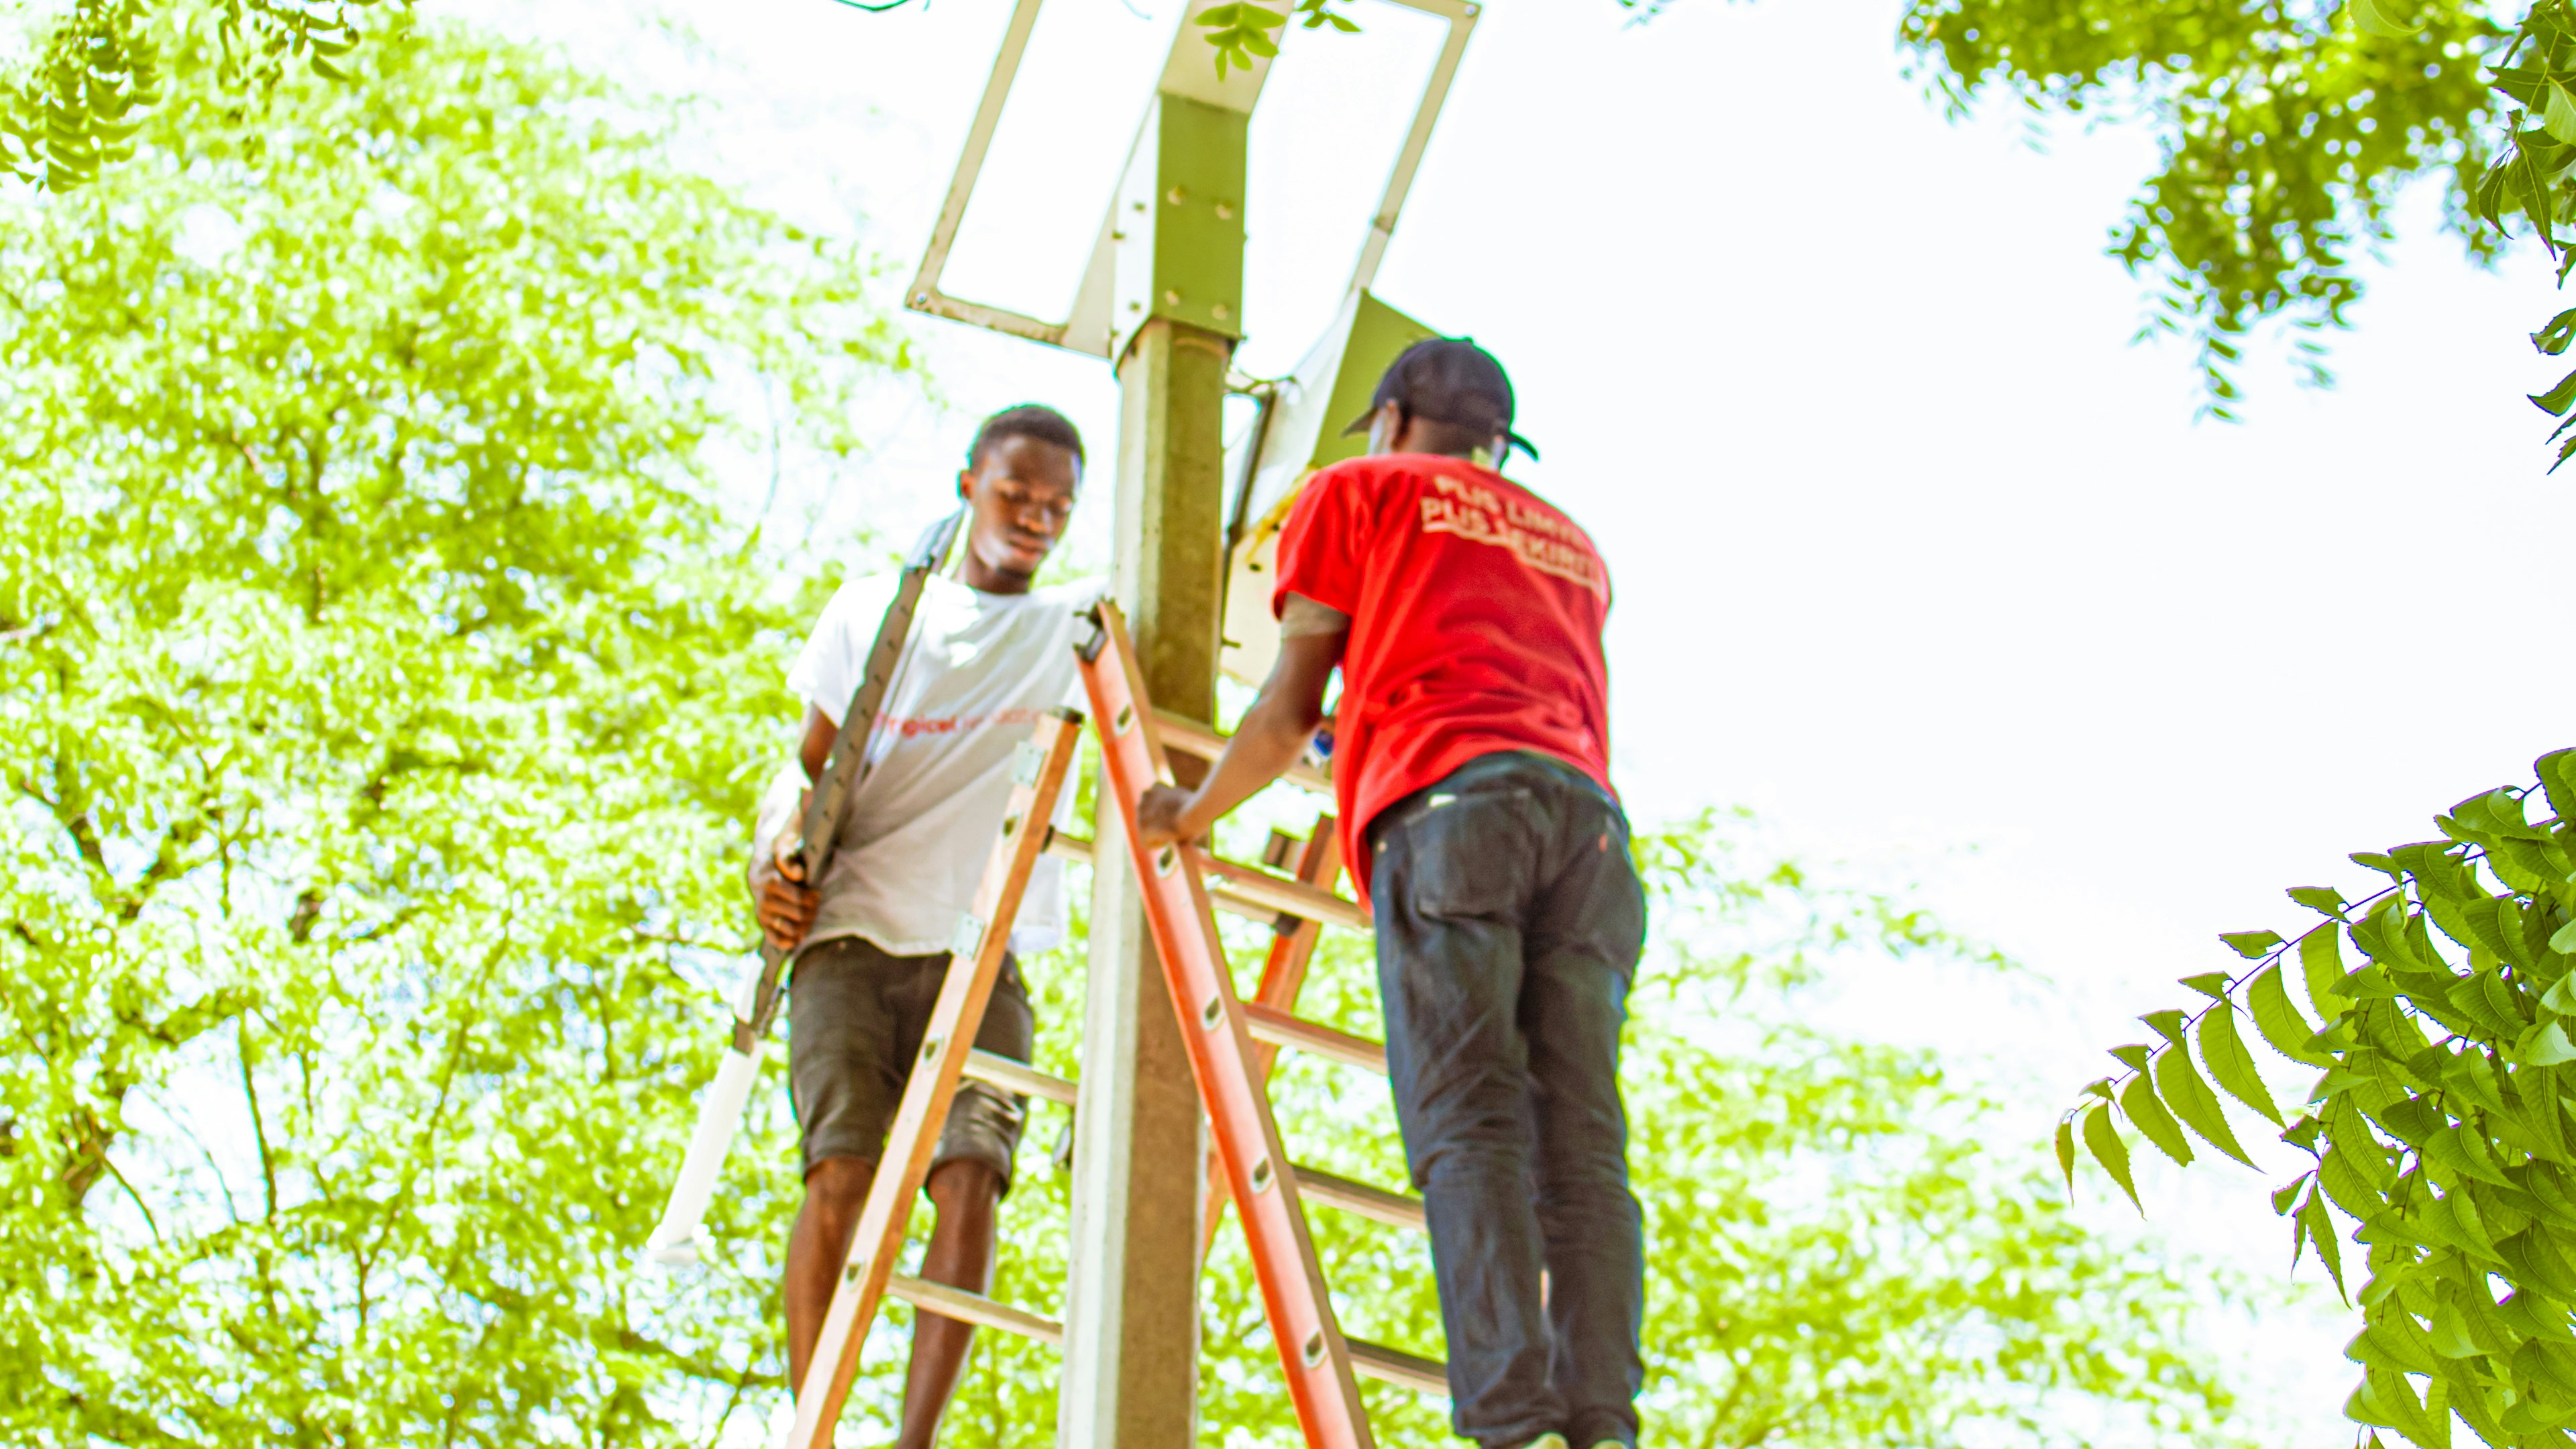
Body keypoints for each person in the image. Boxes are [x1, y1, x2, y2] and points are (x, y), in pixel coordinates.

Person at [1136, 339, 1644, 1449]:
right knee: (1584, 1141)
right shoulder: (1573, 544)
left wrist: (1190, 811)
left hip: (1452, 815)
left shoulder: (1356, 492)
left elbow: (1284, 709)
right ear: (1500, 444)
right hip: (1591, 836)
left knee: (1472, 1124)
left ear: (1389, 417)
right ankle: (1600, 1419)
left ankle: (1510, 1422)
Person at [751, 403, 1095, 1448]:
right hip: (849, 938)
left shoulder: (1076, 627)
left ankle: (914, 1441)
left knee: (970, 1180)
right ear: (967, 489)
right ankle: (814, 1425)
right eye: (1015, 495)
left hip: (981, 952)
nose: (1035, 519)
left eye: (1056, 508)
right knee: (843, 1175)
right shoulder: (873, 613)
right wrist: (772, 858)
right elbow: (805, 764)